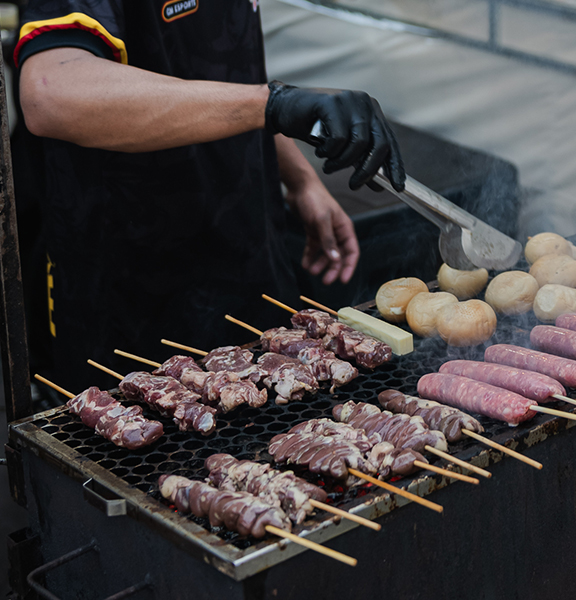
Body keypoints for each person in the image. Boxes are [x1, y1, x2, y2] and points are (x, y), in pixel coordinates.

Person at [15, 0, 406, 391]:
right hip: (133, 285)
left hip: (245, 247)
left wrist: (300, 179)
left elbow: (218, 74)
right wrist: (273, 104)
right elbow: (49, 94)